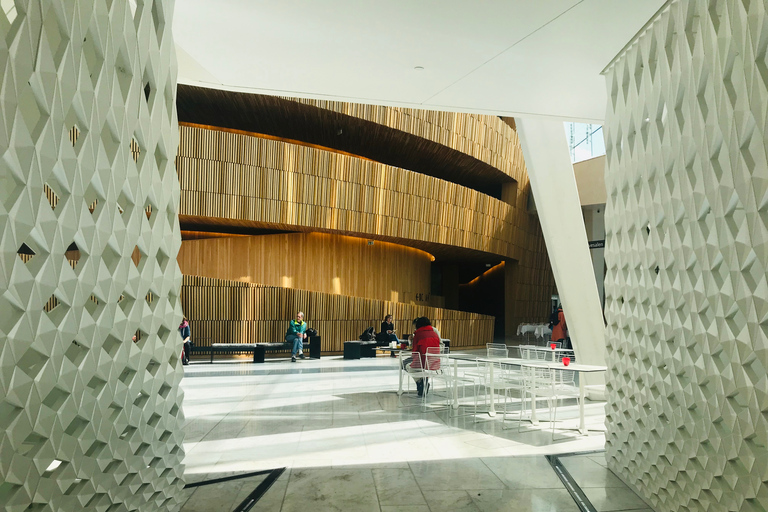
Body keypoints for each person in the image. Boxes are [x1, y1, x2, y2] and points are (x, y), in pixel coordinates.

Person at [402, 317, 440, 397]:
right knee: (415, 367)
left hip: (422, 363)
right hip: (434, 363)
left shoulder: (418, 334)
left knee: (405, 364)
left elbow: (415, 352)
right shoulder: (434, 333)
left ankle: (420, 382)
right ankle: (422, 382)